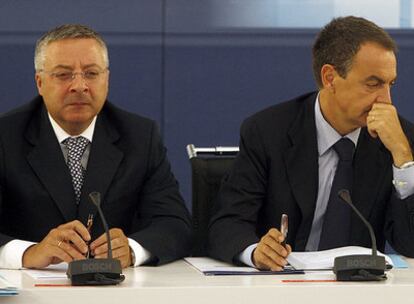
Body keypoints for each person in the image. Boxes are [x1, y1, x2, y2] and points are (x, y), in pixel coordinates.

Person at [208, 16, 414, 271]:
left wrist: (403, 157)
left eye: (390, 84)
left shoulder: (398, 138)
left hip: (358, 290)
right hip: (277, 288)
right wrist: (255, 252)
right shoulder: (268, 131)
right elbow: (226, 224)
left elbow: (410, 244)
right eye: (373, 84)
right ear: (330, 78)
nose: (386, 100)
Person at [0, 24, 191, 269]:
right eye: (63, 74)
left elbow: (175, 224)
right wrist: (28, 253)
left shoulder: (139, 136)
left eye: (91, 73)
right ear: (39, 82)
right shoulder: (6, 137)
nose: (79, 86)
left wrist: (132, 250)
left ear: (107, 79)